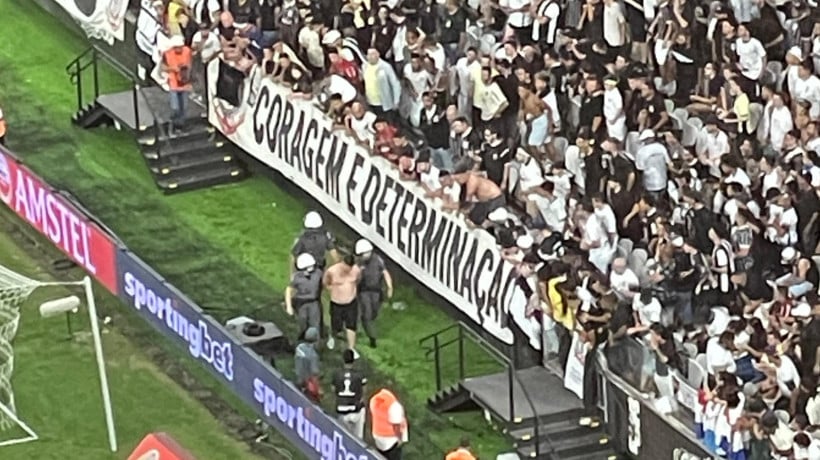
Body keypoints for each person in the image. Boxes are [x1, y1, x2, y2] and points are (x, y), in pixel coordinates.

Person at [355, 239, 393, 348]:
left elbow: (385, 272)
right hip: (364, 291)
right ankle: (372, 337)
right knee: (367, 314)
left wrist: (389, 287)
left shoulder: (378, 260)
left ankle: (368, 325)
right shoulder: (358, 262)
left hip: (376, 291)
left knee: (373, 313)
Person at [324, 253, 362, 357]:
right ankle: (332, 337)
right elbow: (326, 283)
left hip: (351, 303)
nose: (348, 271)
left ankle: (351, 348)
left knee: (351, 326)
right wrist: (333, 290)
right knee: (336, 326)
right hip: (337, 303)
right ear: (343, 263)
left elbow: (358, 280)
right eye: (347, 268)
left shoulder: (356, 270)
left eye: (350, 268)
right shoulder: (332, 271)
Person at [285, 253, 323, 338]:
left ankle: (315, 345)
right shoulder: (297, 277)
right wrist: (289, 306)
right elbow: (288, 290)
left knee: (315, 325)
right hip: (301, 304)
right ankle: (301, 340)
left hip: (314, 303)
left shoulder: (318, 273)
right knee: (302, 323)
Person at [332, 349, 367, 439]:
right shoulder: (359, 375)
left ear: (343, 359)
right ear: (353, 360)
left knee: (344, 437)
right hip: (356, 410)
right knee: (358, 439)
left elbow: (334, 390)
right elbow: (364, 391)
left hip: (341, 409)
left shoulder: (336, 374)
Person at [369, 388, 408, 460]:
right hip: (391, 439)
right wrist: (400, 439)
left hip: (378, 436)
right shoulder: (394, 406)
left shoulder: (374, 401)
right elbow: (396, 426)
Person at [294, 327, 322, 402]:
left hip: (298, 380)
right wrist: (318, 390)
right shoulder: (313, 355)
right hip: (308, 386)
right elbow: (314, 374)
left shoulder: (299, 347)